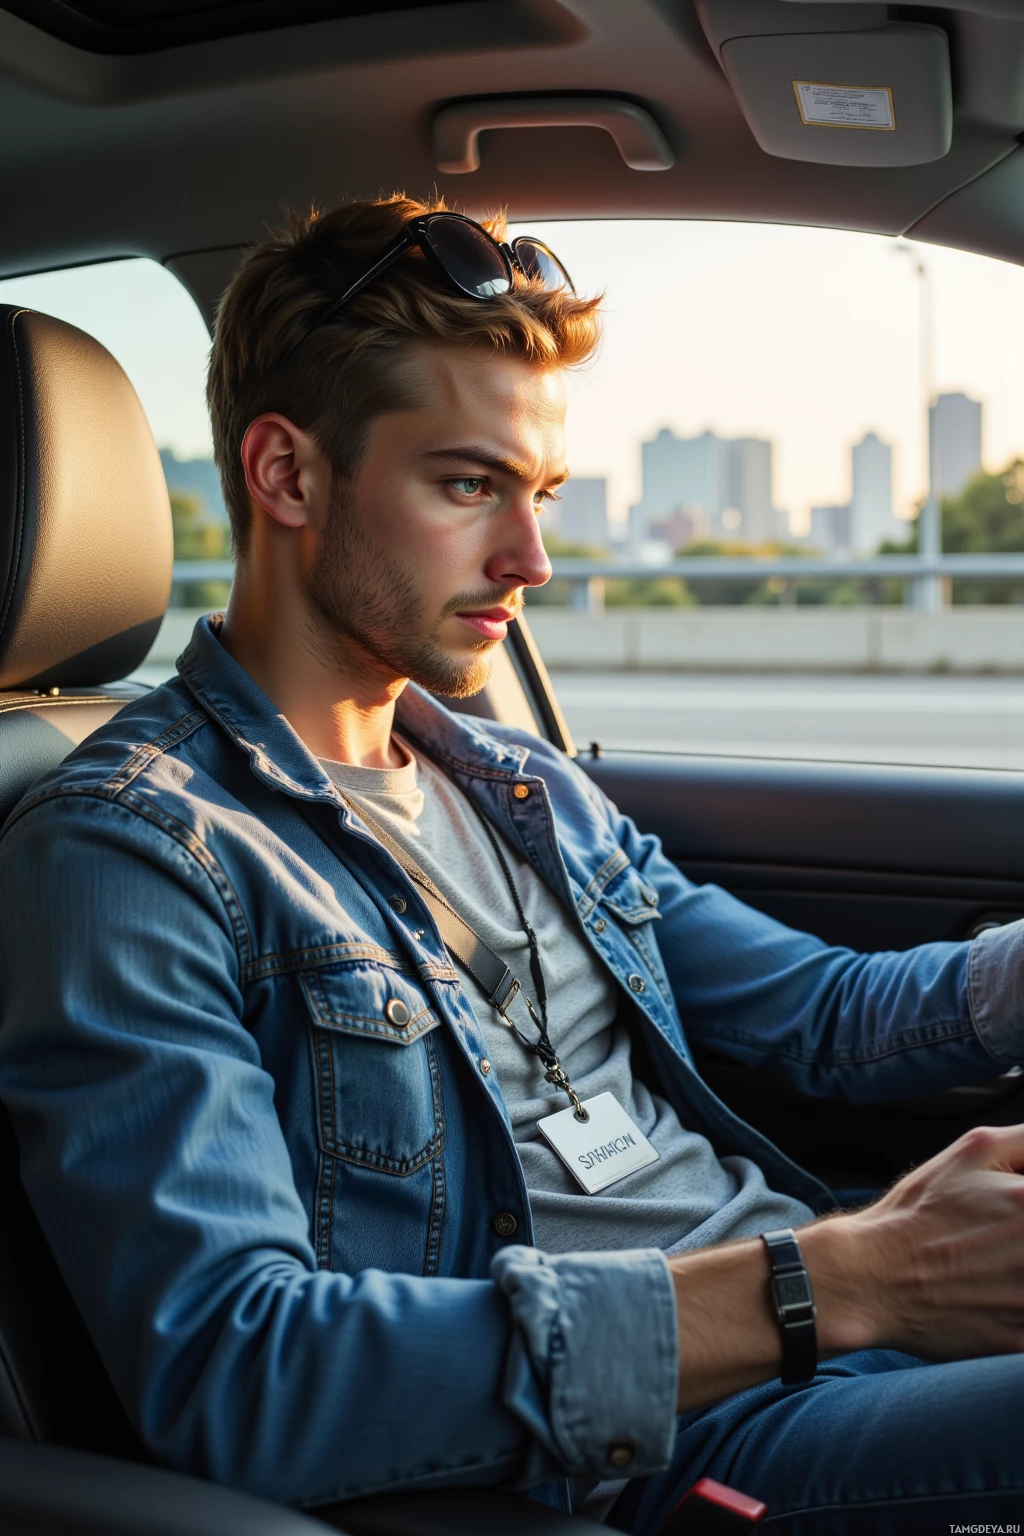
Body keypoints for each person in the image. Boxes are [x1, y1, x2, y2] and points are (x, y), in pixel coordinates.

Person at [1, 194, 1023, 1536]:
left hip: (829, 1310)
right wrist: (836, 1282)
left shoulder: (519, 786)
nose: (531, 558)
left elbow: (820, 1015)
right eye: (468, 485)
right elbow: (242, 1373)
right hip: (672, 1443)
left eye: (537, 494)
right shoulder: (131, 854)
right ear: (288, 476)